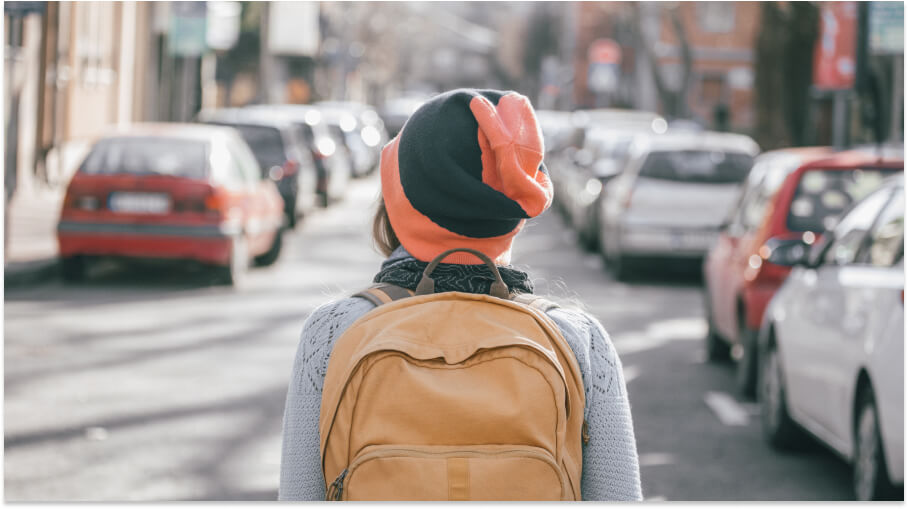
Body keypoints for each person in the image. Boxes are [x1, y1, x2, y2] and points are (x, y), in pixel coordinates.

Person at [279, 89, 642, 501]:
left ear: (399, 200)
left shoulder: (333, 332)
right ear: (510, 214)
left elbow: (299, 496)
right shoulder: (580, 341)